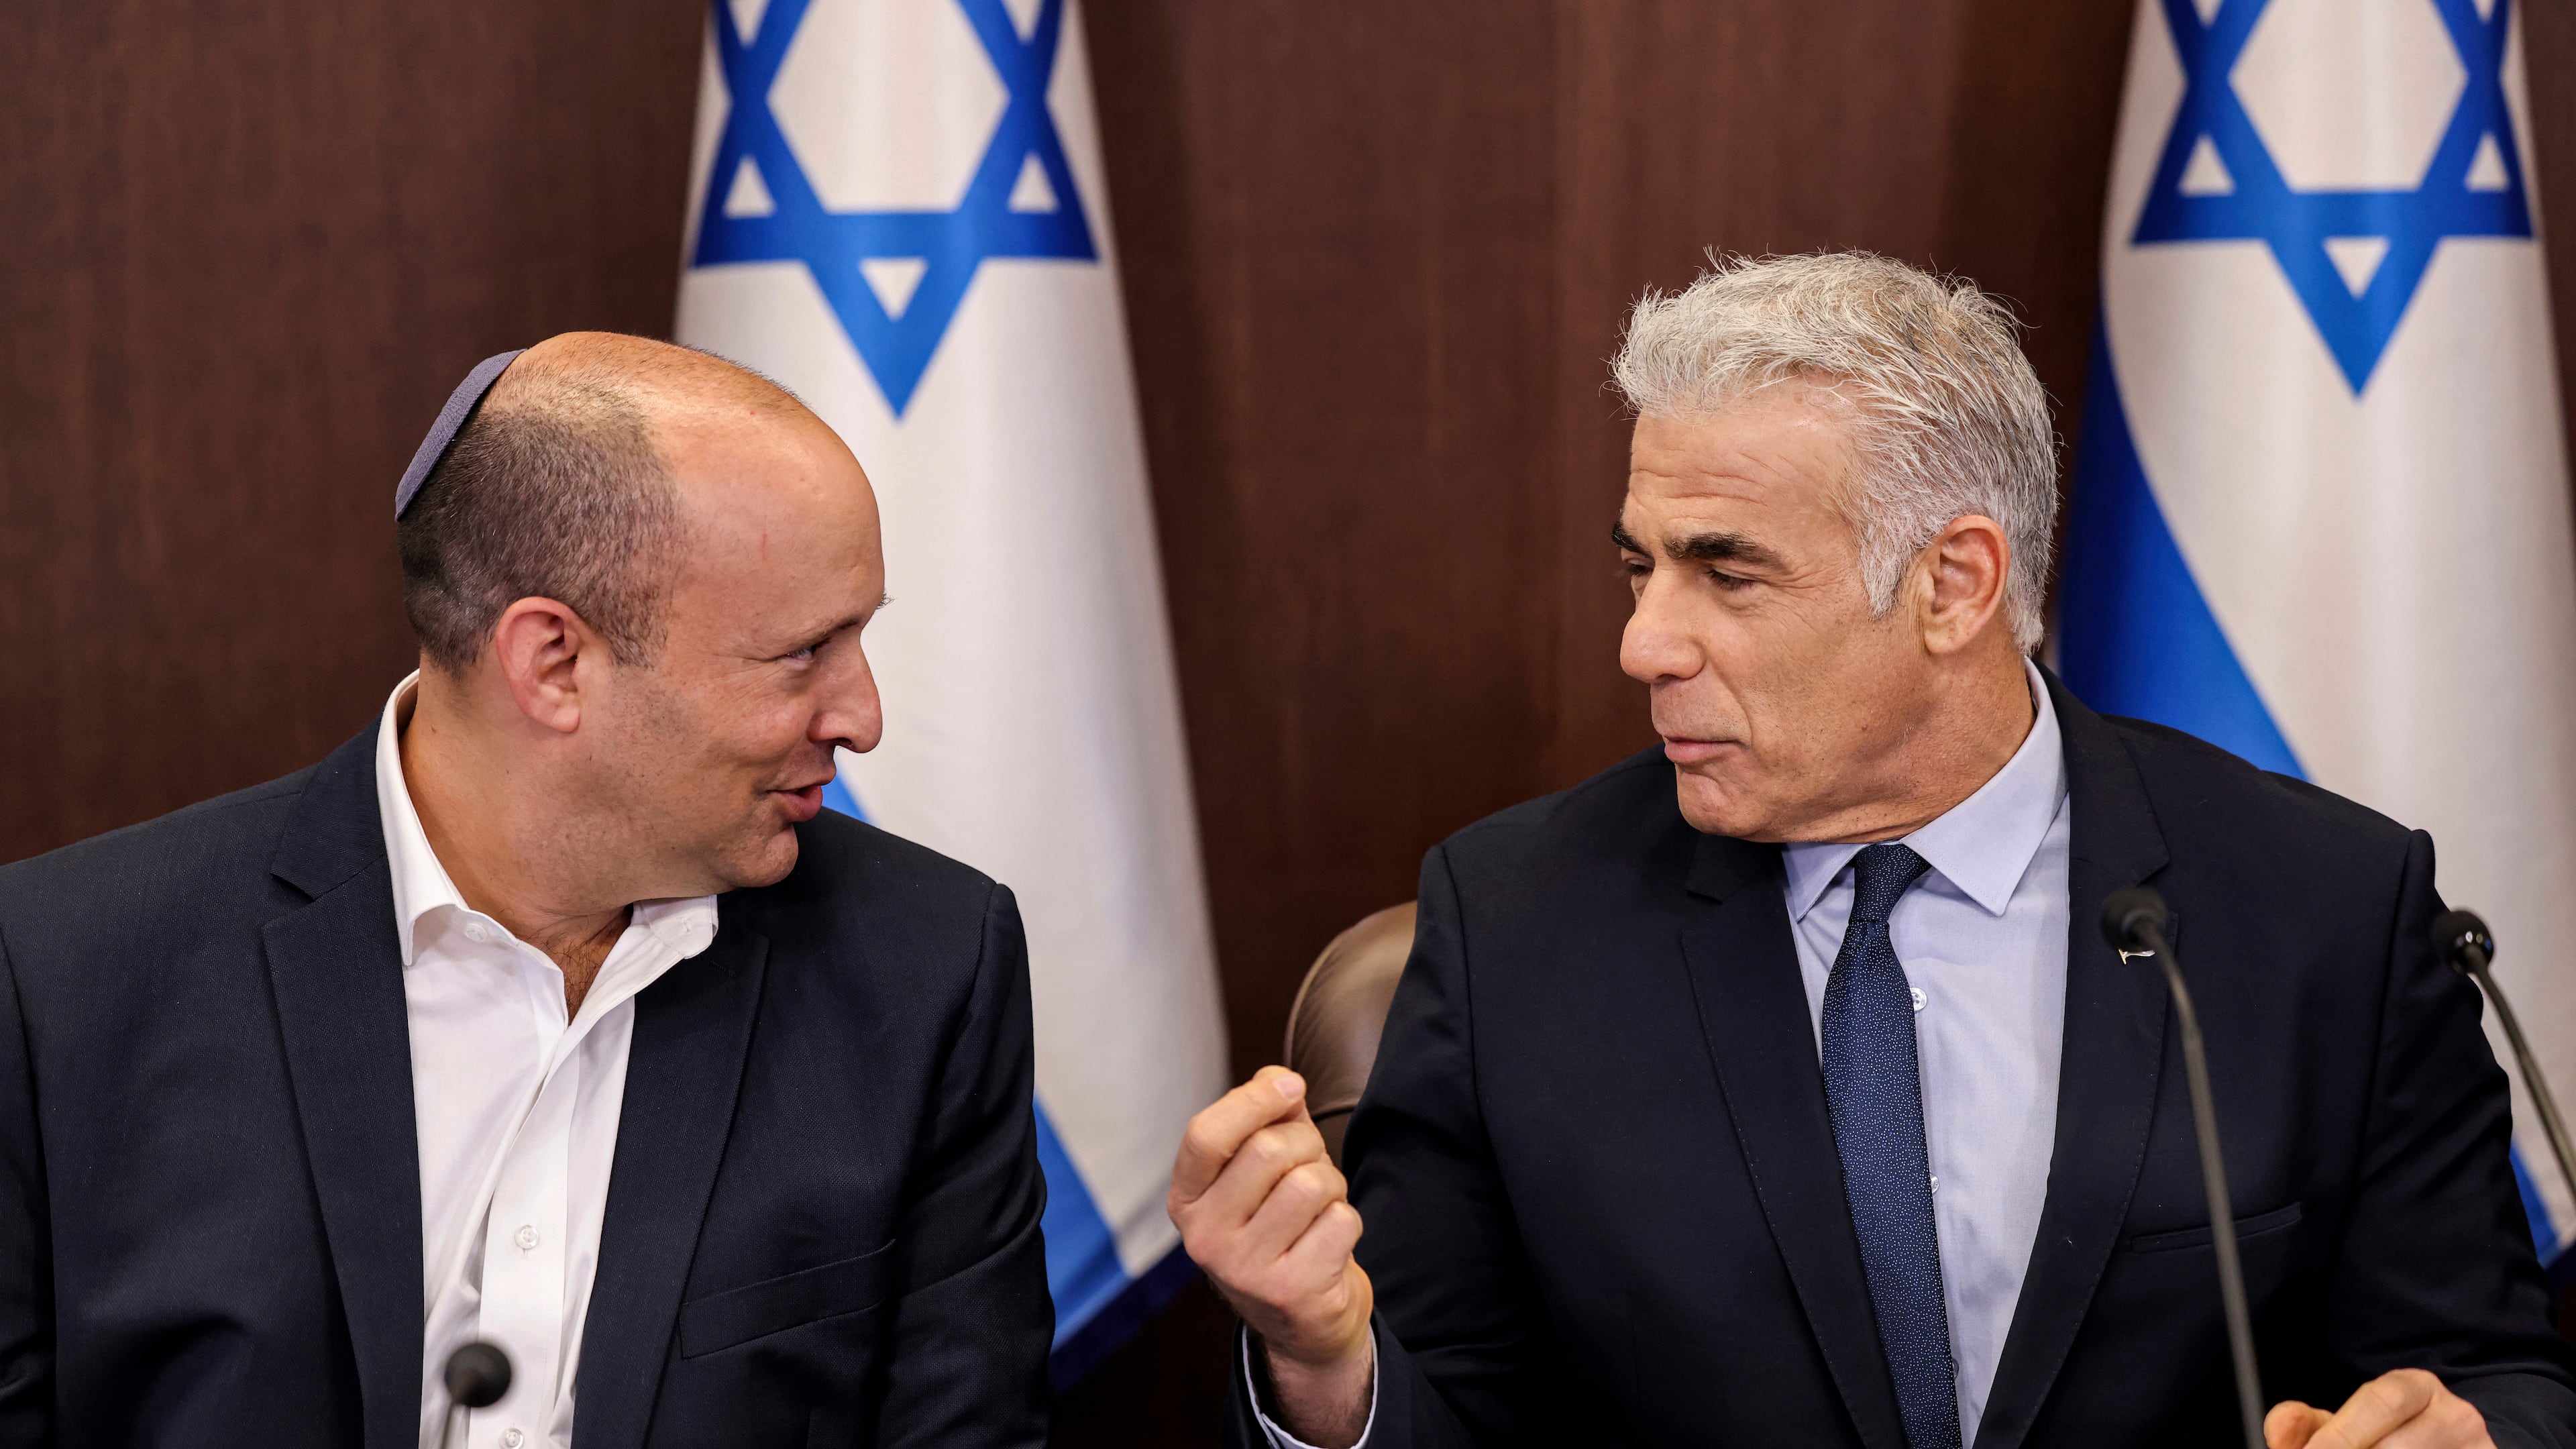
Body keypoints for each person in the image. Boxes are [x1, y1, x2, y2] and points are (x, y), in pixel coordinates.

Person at [1171, 254, 2576, 1449]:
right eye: (1641, 567)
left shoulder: (2327, 910)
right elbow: (1451, 1412)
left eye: (1727, 572)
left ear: (1954, 584)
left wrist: (2463, 1434)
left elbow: (2496, 1375)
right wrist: (1321, 1365)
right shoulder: (1517, 927)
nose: (1644, 644)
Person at [0, 335, 1051, 1447]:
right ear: (553, 662)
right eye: (803, 653)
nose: (862, 717)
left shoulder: (928, 969)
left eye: (861, 636)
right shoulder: (58, 982)